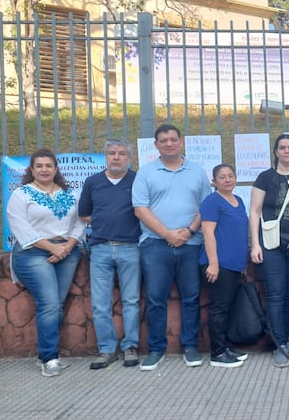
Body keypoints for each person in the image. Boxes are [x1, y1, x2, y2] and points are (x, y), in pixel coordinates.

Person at [132, 124, 210, 371]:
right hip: (155, 245)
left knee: (192, 297)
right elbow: (140, 208)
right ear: (155, 145)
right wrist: (167, 234)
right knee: (155, 298)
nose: (168, 144)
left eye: (173, 139)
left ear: (181, 142)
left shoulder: (197, 172)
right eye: (163, 140)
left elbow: (205, 208)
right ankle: (156, 349)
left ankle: (190, 346)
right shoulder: (145, 173)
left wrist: (188, 232)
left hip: (191, 243)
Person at [7, 148, 85, 377]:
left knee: (56, 304)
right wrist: (53, 248)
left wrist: (68, 247)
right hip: (33, 253)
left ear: (56, 169)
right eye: (39, 166)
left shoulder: (69, 194)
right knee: (50, 303)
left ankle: (49, 355)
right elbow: (21, 228)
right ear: (31, 169)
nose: (44, 170)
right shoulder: (22, 195)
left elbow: (80, 222)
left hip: (67, 251)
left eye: (48, 166)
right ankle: (49, 357)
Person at [79, 140, 141, 370]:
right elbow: (84, 214)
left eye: (122, 153)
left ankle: (130, 347)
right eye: (112, 153)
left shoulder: (138, 180)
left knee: (132, 300)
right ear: (105, 157)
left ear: (129, 158)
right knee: (100, 303)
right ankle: (106, 350)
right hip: (101, 248)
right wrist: (105, 220)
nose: (116, 157)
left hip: (130, 247)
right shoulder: (92, 182)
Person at [249, 134, 289, 368]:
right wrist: (255, 244)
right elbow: (254, 212)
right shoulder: (265, 178)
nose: (286, 151)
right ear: (275, 152)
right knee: (274, 293)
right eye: (281, 148)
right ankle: (279, 344)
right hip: (272, 244)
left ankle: (285, 339)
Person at [199, 164, 249, 368]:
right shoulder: (212, 202)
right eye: (222, 177)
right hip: (218, 264)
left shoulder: (239, 201)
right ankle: (217, 353)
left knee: (227, 307)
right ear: (214, 181)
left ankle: (225, 347)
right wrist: (213, 263)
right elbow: (208, 233)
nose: (227, 179)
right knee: (219, 308)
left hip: (235, 265)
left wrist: (243, 263)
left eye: (230, 176)